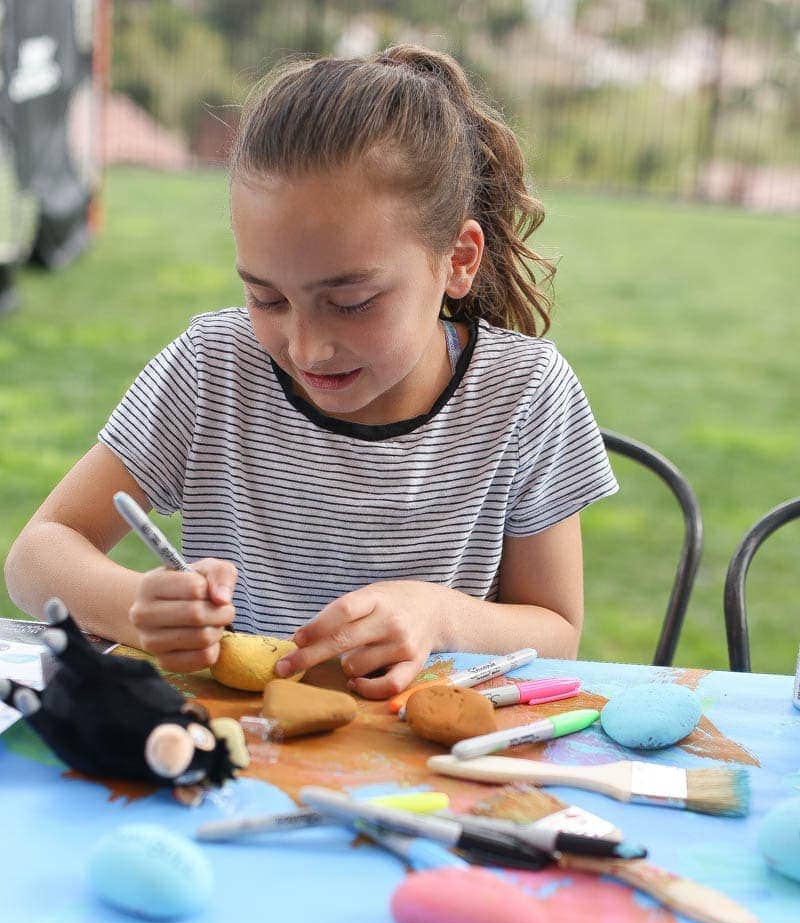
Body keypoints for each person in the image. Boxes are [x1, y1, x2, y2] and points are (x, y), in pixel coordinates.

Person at [5, 44, 617, 700]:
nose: (306, 348)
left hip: (420, 762)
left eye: (351, 302)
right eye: (266, 297)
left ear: (459, 260)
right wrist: (140, 608)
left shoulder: (523, 392)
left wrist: (436, 615)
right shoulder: (214, 367)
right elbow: (38, 553)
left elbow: (557, 631)